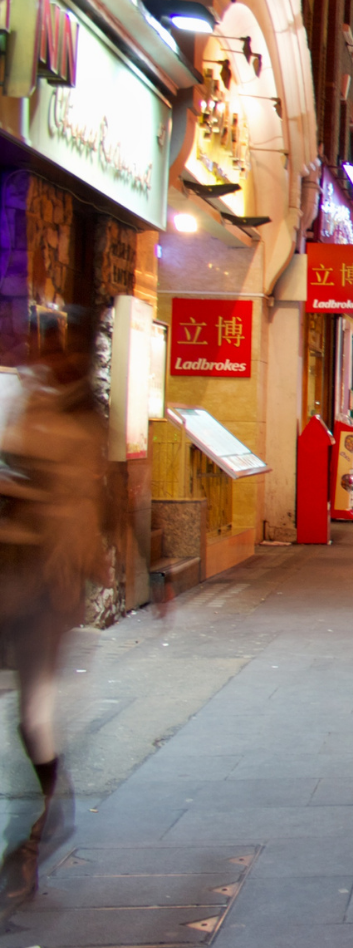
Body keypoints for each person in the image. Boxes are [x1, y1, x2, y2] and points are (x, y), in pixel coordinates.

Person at [0, 330, 106, 909]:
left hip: (47, 586)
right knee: (27, 715)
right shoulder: (29, 406)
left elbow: (82, 506)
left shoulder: (73, 427)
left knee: (33, 715)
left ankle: (36, 829)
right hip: (14, 577)